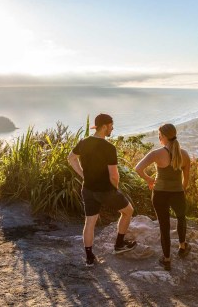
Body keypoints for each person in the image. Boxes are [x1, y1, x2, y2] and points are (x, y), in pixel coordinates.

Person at [68, 113, 137, 267]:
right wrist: (115, 190)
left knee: (90, 222)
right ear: (105, 126)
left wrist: (83, 174)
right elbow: (114, 175)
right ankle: (119, 245)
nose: (112, 128)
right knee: (128, 211)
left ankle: (89, 257)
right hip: (105, 190)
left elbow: (71, 158)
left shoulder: (84, 142)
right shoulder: (109, 147)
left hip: (88, 189)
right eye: (111, 125)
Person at [135, 123, 191, 271]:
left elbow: (138, 168)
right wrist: (181, 190)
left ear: (164, 137)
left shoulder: (156, 154)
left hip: (159, 194)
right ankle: (182, 246)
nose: (158, 137)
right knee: (181, 217)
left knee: (164, 226)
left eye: (159, 135)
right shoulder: (184, 154)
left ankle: (166, 259)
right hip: (177, 193)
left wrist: (149, 180)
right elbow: (186, 180)